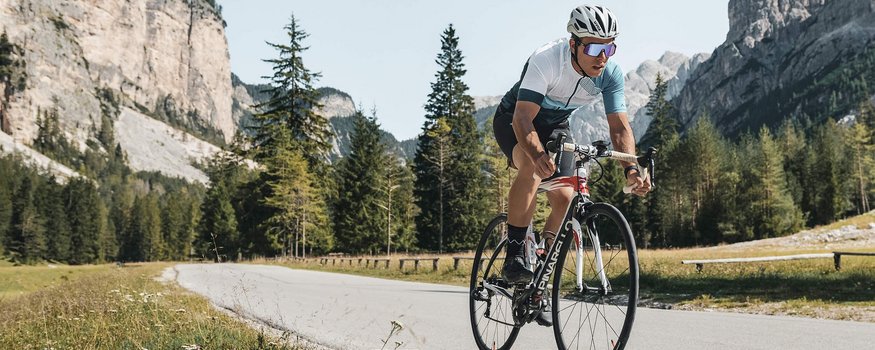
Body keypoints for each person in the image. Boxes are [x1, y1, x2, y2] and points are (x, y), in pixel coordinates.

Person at [491, 4, 652, 326]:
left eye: (609, 47)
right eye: (594, 47)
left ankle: (539, 279)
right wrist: (537, 154)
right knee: (532, 169)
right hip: (516, 121)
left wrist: (632, 169)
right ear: (573, 44)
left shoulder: (610, 74)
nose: (602, 56)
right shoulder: (547, 59)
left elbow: (619, 128)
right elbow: (524, 118)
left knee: (565, 200)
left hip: (557, 127)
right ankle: (514, 252)